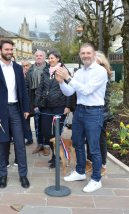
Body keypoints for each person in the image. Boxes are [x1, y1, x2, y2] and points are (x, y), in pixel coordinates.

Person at [55, 43, 107, 193]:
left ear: (94, 54)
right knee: (77, 143)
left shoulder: (100, 71)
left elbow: (87, 90)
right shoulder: (79, 72)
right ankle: (79, 172)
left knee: (94, 147)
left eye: (88, 53)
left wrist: (68, 77)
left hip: (94, 112)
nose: (85, 55)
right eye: (83, 53)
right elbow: (69, 92)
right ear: (80, 55)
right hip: (79, 111)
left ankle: (96, 179)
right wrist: (61, 82)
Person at [0, 39, 30, 189]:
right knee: (1, 145)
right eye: (6, 49)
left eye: (11, 49)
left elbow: (23, 89)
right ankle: (3, 175)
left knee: (20, 145)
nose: (10, 52)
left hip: (16, 110)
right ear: (0, 51)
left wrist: (26, 109)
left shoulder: (17, 68)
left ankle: (23, 175)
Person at [34, 50, 72, 168]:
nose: (50, 60)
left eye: (52, 58)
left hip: (60, 106)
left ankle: (56, 157)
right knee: (45, 131)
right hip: (46, 106)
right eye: (49, 58)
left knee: (56, 133)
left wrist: (68, 106)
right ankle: (58, 152)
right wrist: (36, 104)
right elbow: (40, 89)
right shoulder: (46, 72)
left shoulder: (64, 71)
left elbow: (70, 89)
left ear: (58, 59)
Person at [85, 51, 114, 176]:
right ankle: (90, 161)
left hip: (101, 111)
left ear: (100, 62)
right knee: (89, 137)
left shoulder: (101, 73)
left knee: (100, 139)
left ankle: (103, 165)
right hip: (89, 110)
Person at [26, 51, 50, 154]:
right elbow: (27, 85)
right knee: (37, 123)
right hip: (34, 99)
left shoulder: (49, 68)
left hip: (47, 99)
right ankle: (39, 144)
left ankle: (46, 145)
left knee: (46, 123)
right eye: (37, 56)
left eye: (41, 56)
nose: (39, 57)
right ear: (34, 58)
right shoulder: (31, 69)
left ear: (44, 57)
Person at [22, 60, 33, 146]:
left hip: (32, 100)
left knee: (37, 122)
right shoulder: (21, 74)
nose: (25, 67)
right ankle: (29, 138)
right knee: (26, 121)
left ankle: (42, 142)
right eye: (23, 66)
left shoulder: (32, 73)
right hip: (25, 102)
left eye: (27, 65)